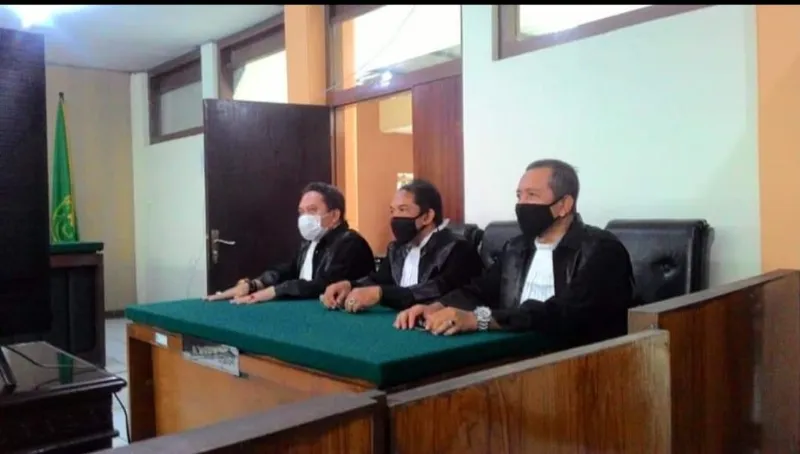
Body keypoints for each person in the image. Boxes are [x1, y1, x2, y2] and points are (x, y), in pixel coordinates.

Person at [396, 159, 635, 348]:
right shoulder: (516, 248)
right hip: (513, 353)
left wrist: (479, 319)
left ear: (564, 205)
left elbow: (563, 312)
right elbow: (480, 290)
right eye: (519, 195)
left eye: (532, 195)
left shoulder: (602, 249)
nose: (522, 204)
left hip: (577, 361)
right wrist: (436, 306)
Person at [321, 179, 484, 313]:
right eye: (392, 211)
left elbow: (435, 290)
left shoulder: (458, 249)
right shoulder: (396, 249)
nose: (395, 217)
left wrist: (381, 294)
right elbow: (379, 280)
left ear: (427, 216)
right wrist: (349, 285)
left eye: (403, 210)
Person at [206, 182, 374, 304]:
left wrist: (274, 291)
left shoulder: (351, 243)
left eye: (312, 210)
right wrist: (255, 284)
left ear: (335, 215)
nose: (305, 218)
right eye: (301, 212)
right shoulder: (309, 242)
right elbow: (289, 270)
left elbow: (323, 285)